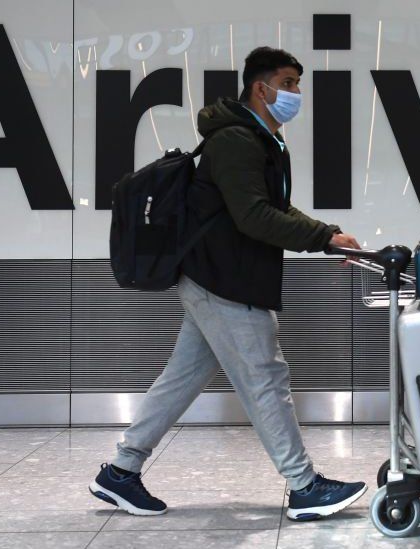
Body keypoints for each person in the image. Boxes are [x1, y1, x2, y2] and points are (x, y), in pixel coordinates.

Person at [89, 46, 366, 521]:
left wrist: (329, 236)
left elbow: (270, 208)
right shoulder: (238, 139)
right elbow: (254, 216)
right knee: (265, 377)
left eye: (298, 83)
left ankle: (120, 472)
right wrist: (322, 238)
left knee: (183, 377)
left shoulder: (260, 139)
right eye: (290, 83)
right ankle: (303, 486)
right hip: (224, 279)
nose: (297, 93)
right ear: (263, 88)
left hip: (217, 273)